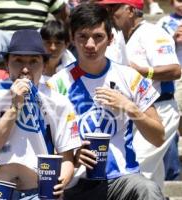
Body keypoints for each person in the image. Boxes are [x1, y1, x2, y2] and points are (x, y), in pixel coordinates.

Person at [47, 3, 165, 199]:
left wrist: (130, 107)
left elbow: (158, 137)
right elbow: (46, 143)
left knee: (148, 190)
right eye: (83, 37)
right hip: (74, 182)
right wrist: (72, 156)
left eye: (98, 37)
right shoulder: (56, 84)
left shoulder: (131, 77)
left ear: (110, 39)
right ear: (72, 40)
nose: (90, 45)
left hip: (123, 179)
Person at [0, 29, 82, 199]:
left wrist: (61, 181)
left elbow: (66, 158)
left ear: (44, 65)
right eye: (18, 61)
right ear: (7, 64)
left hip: (39, 191)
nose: (25, 69)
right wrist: (15, 107)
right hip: (0, 189)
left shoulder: (59, 101)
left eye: (33, 61)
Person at [98, 0, 181, 189]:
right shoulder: (118, 37)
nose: (109, 12)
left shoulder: (153, 32)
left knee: (136, 170)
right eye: (107, 8)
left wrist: (143, 71)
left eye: (113, 7)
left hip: (160, 108)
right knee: (152, 176)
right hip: (132, 111)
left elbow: (175, 70)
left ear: (130, 9)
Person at [0, 0, 70, 69]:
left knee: (50, 38)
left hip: (34, 35)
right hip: (0, 35)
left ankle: (57, 72)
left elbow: (66, 19)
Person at [156, 0, 182, 180]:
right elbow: (157, 48)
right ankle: (173, 172)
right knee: (176, 114)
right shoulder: (163, 22)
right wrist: (173, 38)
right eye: (178, 1)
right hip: (175, 75)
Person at [39, 20, 76, 84]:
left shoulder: (73, 68)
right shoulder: (30, 66)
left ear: (66, 45)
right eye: (48, 42)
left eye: (58, 43)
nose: (53, 48)